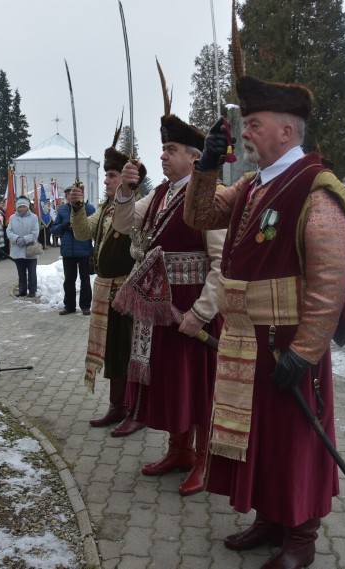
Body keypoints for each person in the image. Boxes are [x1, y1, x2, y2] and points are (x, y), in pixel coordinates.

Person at [183, 76, 345, 568]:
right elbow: (199, 216)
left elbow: (328, 282)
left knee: (294, 441)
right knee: (258, 436)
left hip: (287, 345)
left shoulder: (317, 188)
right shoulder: (255, 184)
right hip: (245, 341)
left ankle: (300, 536)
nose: (246, 132)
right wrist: (207, 166)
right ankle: (270, 518)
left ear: (286, 130)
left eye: (254, 125)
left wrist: (307, 350)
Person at [115, 80, 225, 497]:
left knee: (197, 386)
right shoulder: (159, 193)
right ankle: (178, 450)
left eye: (171, 150)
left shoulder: (208, 194)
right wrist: (126, 190)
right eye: (163, 150)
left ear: (195, 157)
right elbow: (124, 226)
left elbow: (220, 261)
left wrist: (203, 312)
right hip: (163, 307)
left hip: (192, 309)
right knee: (172, 383)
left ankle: (202, 459)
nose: (162, 156)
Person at [70, 125, 146, 436]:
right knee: (113, 351)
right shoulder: (104, 207)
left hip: (128, 289)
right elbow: (84, 233)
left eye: (111, 176)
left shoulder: (140, 205)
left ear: (128, 178)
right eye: (106, 176)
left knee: (131, 352)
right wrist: (76, 208)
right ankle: (117, 406)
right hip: (106, 290)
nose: (105, 180)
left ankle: (135, 410)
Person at [51, 187, 95, 315]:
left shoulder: (89, 209)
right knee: (69, 280)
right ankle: (69, 305)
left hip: (84, 250)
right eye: (68, 195)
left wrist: (80, 227)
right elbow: (54, 229)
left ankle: (85, 306)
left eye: (73, 194)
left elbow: (93, 227)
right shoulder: (63, 210)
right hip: (68, 251)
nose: (71, 197)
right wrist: (64, 226)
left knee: (85, 279)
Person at [6, 195, 40, 297]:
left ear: (27, 207)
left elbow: (35, 232)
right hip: (18, 248)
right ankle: (22, 290)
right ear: (17, 207)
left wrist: (25, 239)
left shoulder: (34, 217)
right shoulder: (12, 218)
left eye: (24, 206)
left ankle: (32, 290)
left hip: (31, 248)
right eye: (20, 207)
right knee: (21, 272)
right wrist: (16, 239)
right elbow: (9, 231)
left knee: (32, 272)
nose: (22, 209)